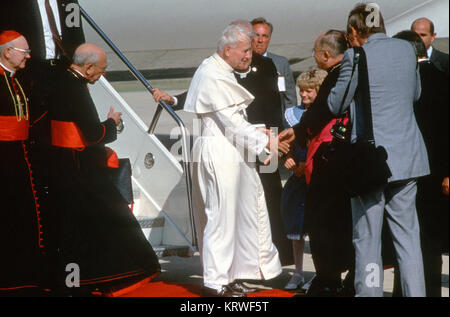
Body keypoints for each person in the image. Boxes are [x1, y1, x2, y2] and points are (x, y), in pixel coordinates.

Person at [153, 20, 293, 267]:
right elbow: (212, 102)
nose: (257, 43)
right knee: (225, 216)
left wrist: (275, 139)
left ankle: (264, 262)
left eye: (262, 37)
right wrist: (174, 99)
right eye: (252, 39)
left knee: (265, 201)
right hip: (235, 145)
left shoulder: (267, 65)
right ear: (231, 48)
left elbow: (275, 105)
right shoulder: (217, 70)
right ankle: (222, 277)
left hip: (260, 140)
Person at [324, 4, 428, 297]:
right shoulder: (407, 49)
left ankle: (369, 294)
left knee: (367, 239)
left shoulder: (356, 56)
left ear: (355, 31)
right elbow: (415, 94)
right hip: (408, 156)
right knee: (408, 239)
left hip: (370, 161)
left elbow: (336, 104)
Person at [47, 43, 160, 296]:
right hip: (79, 168)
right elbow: (94, 133)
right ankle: (119, 273)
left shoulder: (60, 80)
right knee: (112, 219)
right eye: (101, 69)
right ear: (88, 68)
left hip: (60, 164)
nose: (102, 74)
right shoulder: (76, 88)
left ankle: (73, 280)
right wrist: (112, 123)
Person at [184, 24, 282, 297]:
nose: (249, 55)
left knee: (239, 216)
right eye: (245, 50)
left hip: (231, 151)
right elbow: (231, 123)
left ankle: (231, 276)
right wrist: (266, 142)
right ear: (228, 50)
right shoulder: (212, 74)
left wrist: (259, 135)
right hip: (220, 151)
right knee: (221, 218)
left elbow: (234, 122)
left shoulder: (219, 70)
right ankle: (216, 282)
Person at [392, 30, 449, 297]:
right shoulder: (439, 78)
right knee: (427, 241)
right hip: (434, 172)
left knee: (410, 238)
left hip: (414, 171)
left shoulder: (425, 81)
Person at [0, 30, 47, 296]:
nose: (29, 56)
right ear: (8, 52)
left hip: (21, 155)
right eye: (24, 51)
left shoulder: (18, 80)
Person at [281, 68, 328, 290]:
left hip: (318, 177)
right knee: (295, 226)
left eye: (309, 91)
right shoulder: (291, 113)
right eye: (302, 90)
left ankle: (321, 274)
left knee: (318, 228)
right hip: (297, 178)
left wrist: (306, 165)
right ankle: (298, 272)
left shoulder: (325, 113)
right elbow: (283, 143)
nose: (304, 95)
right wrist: (286, 158)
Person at [250, 17, 298, 123]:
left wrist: (290, 123)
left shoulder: (281, 63)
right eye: (256, 35)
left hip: (274, 122)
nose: (260, 40)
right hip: (249, 123)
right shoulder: (241, 62)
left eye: (265, 36)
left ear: (269, 38)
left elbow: (290, 97)